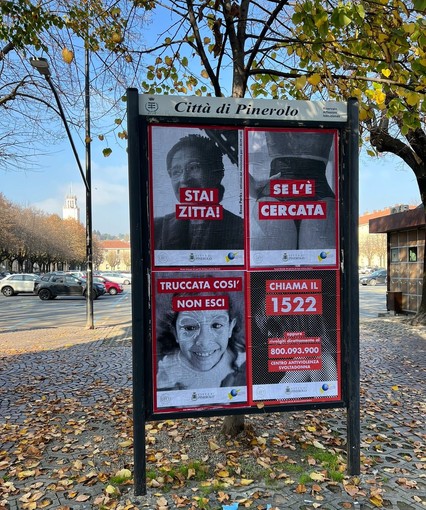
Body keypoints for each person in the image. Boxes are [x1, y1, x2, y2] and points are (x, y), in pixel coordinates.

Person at [154, 133, 244, 250]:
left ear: (217, 174)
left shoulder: (240, 228)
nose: (184, 179)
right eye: (176, 172)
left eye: (194, 167)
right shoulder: (156, 228)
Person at [249, 131, 336, 251]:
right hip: (316, 192)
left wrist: (251, 184)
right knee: (313, 263)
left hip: (280, 194)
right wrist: (251, 184)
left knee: (276, 263)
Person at [156, 291, 246, 391]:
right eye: (190, 328)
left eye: (216, 325)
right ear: (175, 333)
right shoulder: (170, 367)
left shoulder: (237, 352)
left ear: (230, 328)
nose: (204, 342)